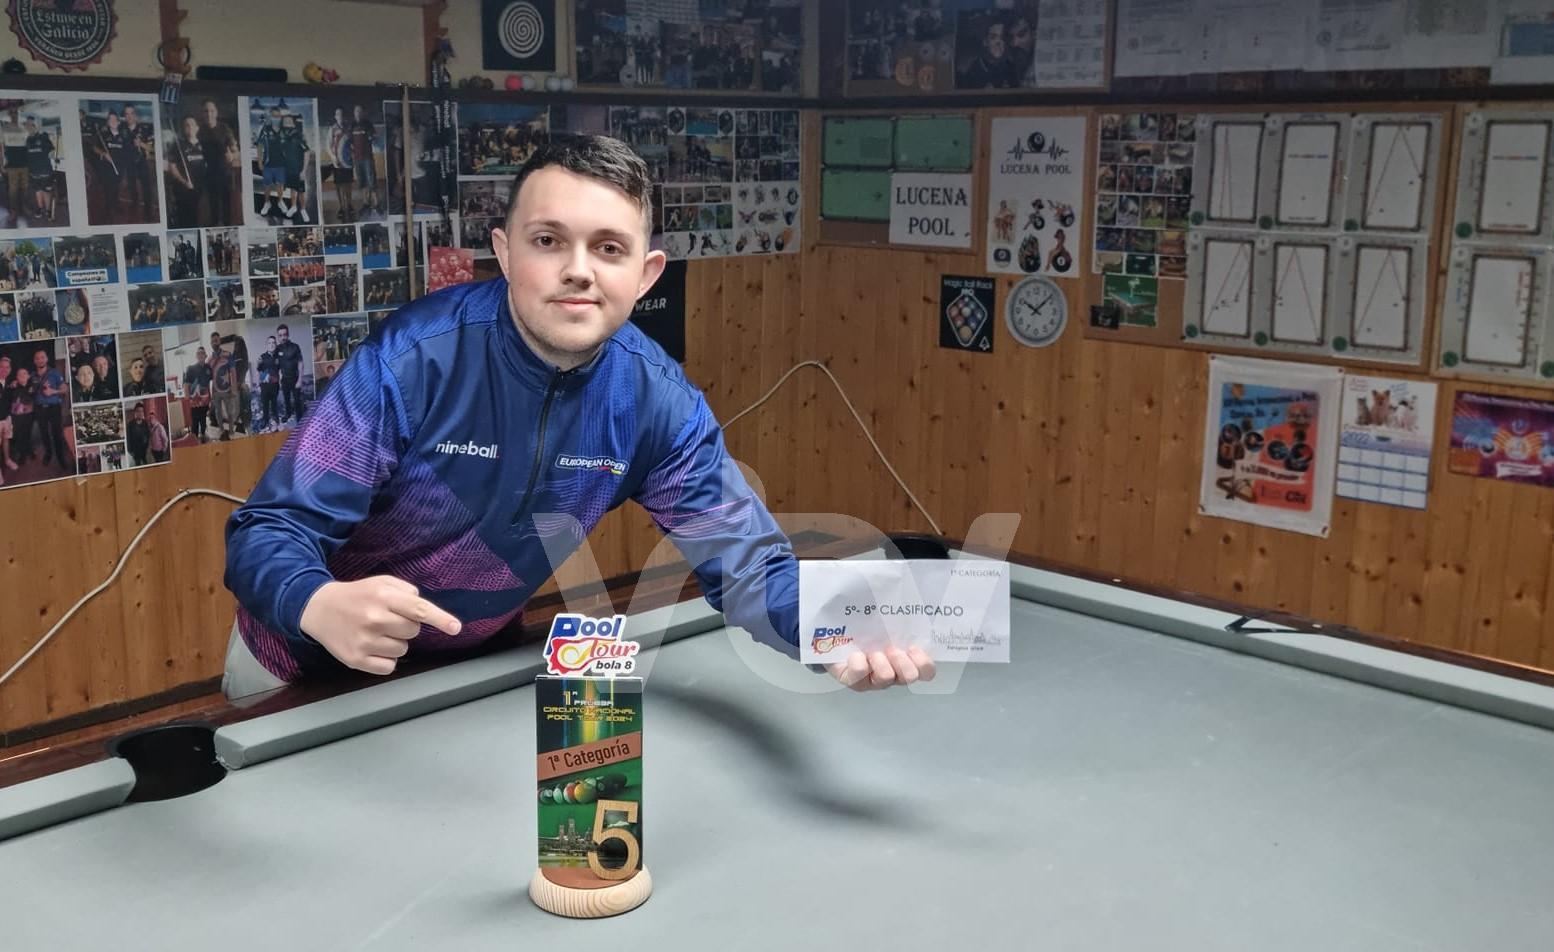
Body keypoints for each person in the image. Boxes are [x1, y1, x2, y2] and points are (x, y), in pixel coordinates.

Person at [223, 135, 933, 698]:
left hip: (468, 673)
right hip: (300, 669)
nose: (579, 270)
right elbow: (269, 529)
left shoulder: (656, 403)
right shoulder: (412, 361)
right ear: (504, 252)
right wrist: (316, 602)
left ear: (645, 275)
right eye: (548, 240)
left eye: (609, 248)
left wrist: (831, 628)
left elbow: (748, 568)